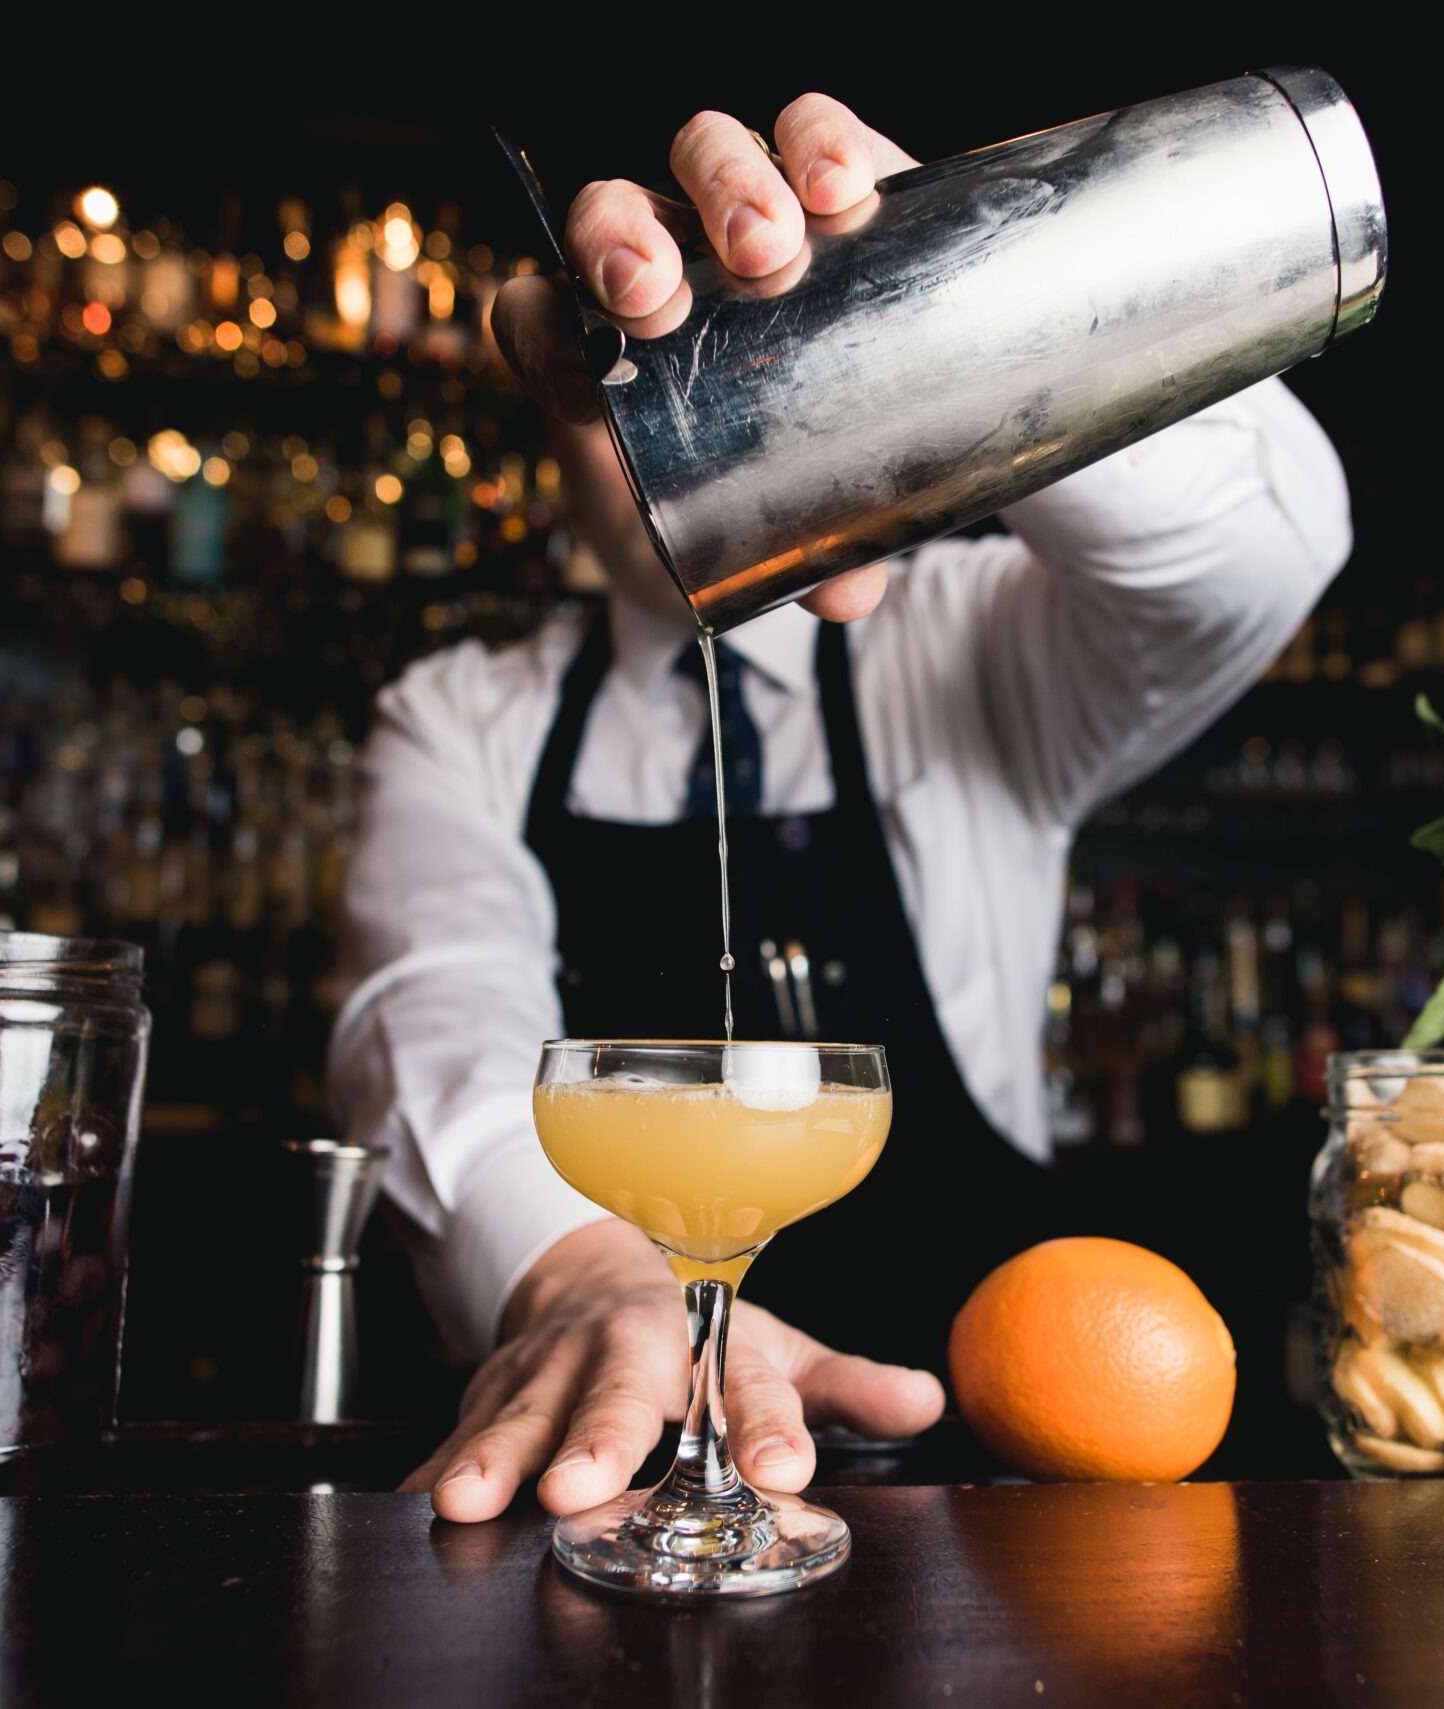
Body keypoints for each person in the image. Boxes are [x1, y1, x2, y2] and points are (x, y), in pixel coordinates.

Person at [326, 93, 1353, 1523]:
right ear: (550, 394)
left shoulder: (971, 641)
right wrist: (581, 1269)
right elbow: (430, 1002)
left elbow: (1262, 550)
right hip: (604, 1495)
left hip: (980, 1500)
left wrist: (950, 295)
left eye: (718, 360)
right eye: (628, 359)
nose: (664, 409)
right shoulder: (461, 719)